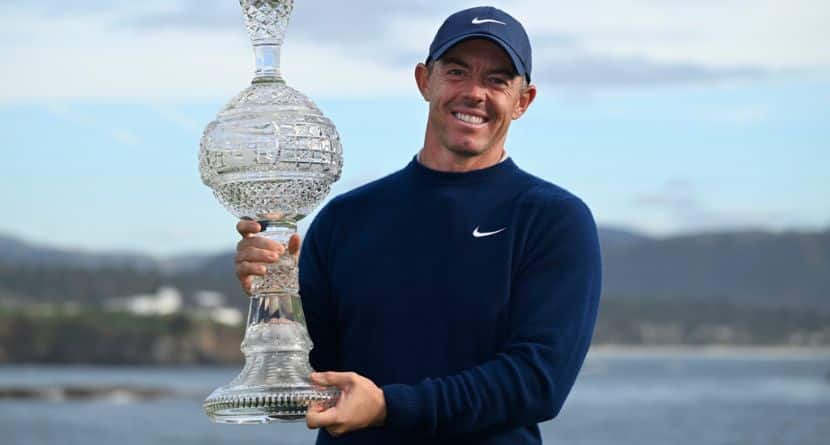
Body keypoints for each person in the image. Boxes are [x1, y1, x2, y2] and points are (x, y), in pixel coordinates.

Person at [234, 6, 601, 445]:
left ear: (523, 101)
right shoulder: (346, 218)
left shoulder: (552, 219)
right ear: (425, 81)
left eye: (497, 81)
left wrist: (390, 407)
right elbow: (315, 369)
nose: (474, 93)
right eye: (457, 72)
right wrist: (276, 300)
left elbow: (538, 381)